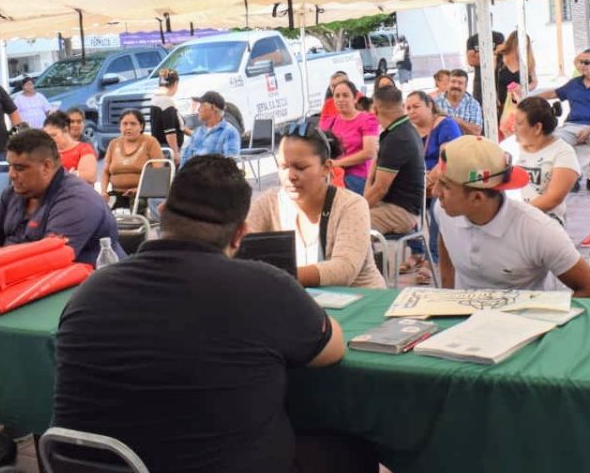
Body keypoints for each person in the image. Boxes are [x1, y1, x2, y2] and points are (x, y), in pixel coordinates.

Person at [53, 155, 350, 473]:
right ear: (240, 234)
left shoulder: (90, 290)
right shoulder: (266, 286)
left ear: (162, 212)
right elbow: (332, 348)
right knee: (348, 452)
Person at [433, 136, 590, 296]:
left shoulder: (539, 231)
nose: (435, 192)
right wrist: (448, 301)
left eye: (445, 186)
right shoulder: (444, 211)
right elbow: (446, 245)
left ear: (477, 197)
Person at [0, 129, 122, 266]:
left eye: (20, 168)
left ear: (46, 166)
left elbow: (48, 259)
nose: (11, 175)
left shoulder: (77, 200)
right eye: (10, 166)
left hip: (82, 289)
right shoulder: (13, 193)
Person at [247, 123, 386, 289]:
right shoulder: (268, 203)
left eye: (300, 167)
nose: (290, 176)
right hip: (302, 299)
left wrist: (277, 276)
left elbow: (344, 269)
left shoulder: (351, 205)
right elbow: (242, 249)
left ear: (326, 168)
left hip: (361, 299)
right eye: (283, 167)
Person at [536, 48, 590, 194]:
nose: (582, 65)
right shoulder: (574, 83)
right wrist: (530, 98)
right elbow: (554, 93)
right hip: (572, 125)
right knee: (552, 140)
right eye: (580, 62)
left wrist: (589, 129)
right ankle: (571, 177)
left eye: (586, 62)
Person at [403, 90, 462, 281]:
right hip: (419, 183)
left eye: (416, 106)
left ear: (429, 105)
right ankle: (416, 251)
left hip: (445, 180)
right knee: (401, 200)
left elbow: (447, 160)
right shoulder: (409, 130)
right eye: (408, 108)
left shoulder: (446, 125)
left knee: (439, 205)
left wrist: (428, 180)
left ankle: (432, 259)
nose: (411, 111)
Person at [500, 97, 580, 219]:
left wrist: (517, 216)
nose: (513, 127)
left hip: (545, 220)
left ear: (537, 127)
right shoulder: (508, 147)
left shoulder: (563, 153)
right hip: (510, 217)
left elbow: (553, 198)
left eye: (519, 123)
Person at [365, 86, 425, 234]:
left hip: (401, 211)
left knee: (348, 223)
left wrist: (357, 208)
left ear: (375, 109)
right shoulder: (406, 130)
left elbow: (380, 189)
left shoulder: (397, 139)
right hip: (398, 205)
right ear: (402, 106)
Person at [321, 80, 378, 195]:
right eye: (337, 96)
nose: (340, 99)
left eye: (345, 95)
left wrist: (338, 163)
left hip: (358, 178)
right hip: (334, 175)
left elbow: (369, 152)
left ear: (355, 98)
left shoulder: (367, 120)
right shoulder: (331, 122)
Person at [101, 109, 164, 209]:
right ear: (120, 126)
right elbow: (105, 171)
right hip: (116, 194)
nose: (128, 127)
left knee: (137, 205)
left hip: (142, 194)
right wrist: (103, 191)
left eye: (133, 124)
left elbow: (158, 174)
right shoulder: (113, 143)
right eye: (124, 124)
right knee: (96, 207)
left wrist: (139, 189)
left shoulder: (150, 142)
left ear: (141, 126)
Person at [179, 91, 241, 166]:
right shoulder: (198, 132)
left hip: (213, 172)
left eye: (201, 105)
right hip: (192, 171)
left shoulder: (229, 132)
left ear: (212, 107)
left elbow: (231, 162)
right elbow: (185, 157)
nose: (198, 109)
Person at [43, 111, 98, 184]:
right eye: (47, 136)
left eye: (54, 135)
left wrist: (67, 175)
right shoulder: (45, 152)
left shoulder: (84, 149)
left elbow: (90, 176)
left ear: (65, 130)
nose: (50, 139)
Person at [495, 30, 537, 119]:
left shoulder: (528, 61)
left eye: (526, 46)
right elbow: (491, 80)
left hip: (519, 104)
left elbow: (534, 82)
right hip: (500, 104)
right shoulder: (498, 58)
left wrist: (523, 88)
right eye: (521, 45)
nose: (523, 48)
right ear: (513, 44)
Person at [434, 68, 484, 136]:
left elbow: (476, 132)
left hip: (466, 142)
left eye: (460, 83)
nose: (456, 86)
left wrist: (457, 121)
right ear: (448, 84)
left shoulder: (473, 104)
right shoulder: (436, 102)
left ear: (466, 86)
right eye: (453, 82)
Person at [148, 68, 183, 159]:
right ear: (175, 84)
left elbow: (176, 122)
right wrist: (175, 153)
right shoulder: (166, 101)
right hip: (168, 151)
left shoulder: (155, 99)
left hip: (160, 147)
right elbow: (170, 131)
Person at [465, 30, 505, 104]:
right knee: (479, 106)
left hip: (497, 80)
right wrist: (492, 55)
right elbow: (471, 61)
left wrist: (478, 54)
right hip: (479, 82)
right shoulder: (472, 39)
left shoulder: (498, 36)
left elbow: (501, 57)